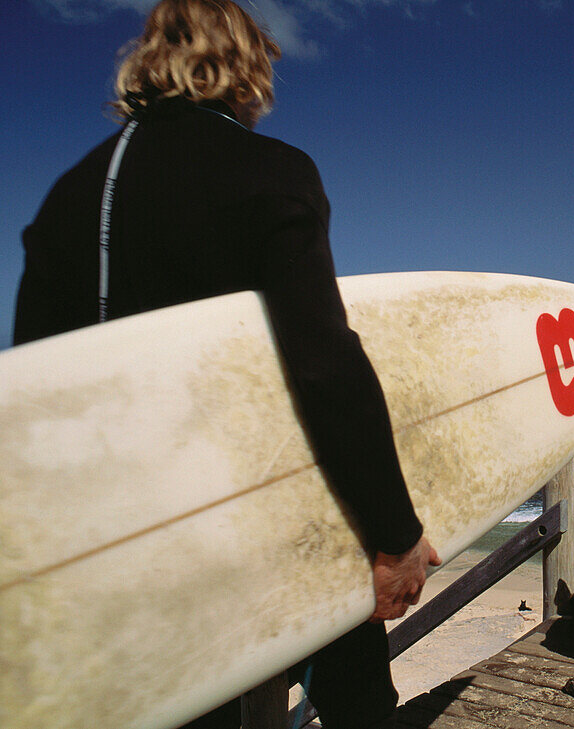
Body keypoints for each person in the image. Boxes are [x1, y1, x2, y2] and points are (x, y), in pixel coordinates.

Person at [13, 1, 440, 726]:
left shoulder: (66, 198)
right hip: (269, 514)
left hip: (119, 543)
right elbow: (324, 362)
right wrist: (395, 534)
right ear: (247, 69)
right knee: (358, 697)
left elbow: (32, 393)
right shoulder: (270, 171)